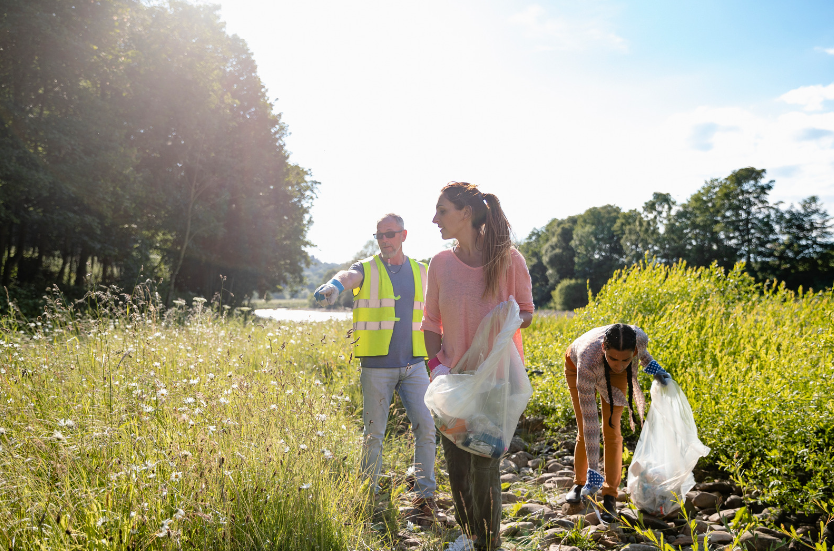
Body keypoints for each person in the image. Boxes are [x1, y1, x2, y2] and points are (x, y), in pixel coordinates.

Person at [422, 182, 534, 551]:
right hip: (453, 382)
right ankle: (470, 537)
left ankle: (489, 544)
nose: (435, 219)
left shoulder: (509, 260)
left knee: (485, 465)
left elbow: (527, 312)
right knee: (457, 469)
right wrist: (437, 368)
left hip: (495, 384)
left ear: (465, 214)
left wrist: (507, 316)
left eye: (442, 211)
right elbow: (431, 322)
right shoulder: (439, 264)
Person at [313, 213, 444, 524]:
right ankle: (367, 497)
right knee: (374, 434)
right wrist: (333, 284)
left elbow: (439, 309)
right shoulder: (366, 268)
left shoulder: (421, 271)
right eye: (379, 235)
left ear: (403, 235)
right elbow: (347, 276)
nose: (384, 240)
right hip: (376, 367)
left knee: (426, 428)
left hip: (414, 365)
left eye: (390, 234)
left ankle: (425, 498)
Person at [563, 323, 673, 522]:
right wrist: (594, 469)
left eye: (625, 359)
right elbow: (591, 424)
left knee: (612, 431)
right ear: (604, 346)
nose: (619, 365)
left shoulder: (639, 339)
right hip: (578, 366)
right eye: (614, 358)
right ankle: (580, 483)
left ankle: (610, 496)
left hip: (613, 375)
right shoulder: (587, 360)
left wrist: (656, 370)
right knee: (584, 428)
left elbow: (643, 356)